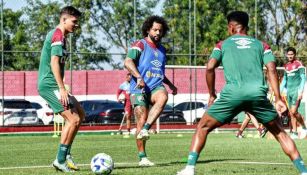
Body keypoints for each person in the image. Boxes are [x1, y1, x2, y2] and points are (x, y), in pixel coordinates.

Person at [177, 11, 307, 175]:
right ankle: (303, 171)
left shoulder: (222, 44)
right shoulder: (261, 45)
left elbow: (209, 67)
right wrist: (279, 98)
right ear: (246, 26)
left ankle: (189, 169)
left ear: (231, 27)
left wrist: (211, 94)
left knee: (202, 127)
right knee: (280, 133)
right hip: (257, 95)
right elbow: (272, 68)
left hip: (233, 94)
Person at [124, 15, 177, 166]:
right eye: (155, 30)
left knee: (163, 96)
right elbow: (127, 62)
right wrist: (138, 77)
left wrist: (171, 85)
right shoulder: (139, 44)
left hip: (155, 87)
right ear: (148, 29)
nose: (158, 33)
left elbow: (159, 71)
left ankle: (146, 129)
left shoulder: (162, 50)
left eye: (160, 31)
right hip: (137, 89)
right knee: (140, 119)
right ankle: (143, 157)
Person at [37, 6, 85, 172]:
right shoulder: (57, 35)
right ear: (64, 19)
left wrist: (63, 87)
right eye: (74, 21)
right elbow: (54, 63)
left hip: (54, 84)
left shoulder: (62, 37)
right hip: (49, 85)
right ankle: (60, 159)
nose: (76, 25)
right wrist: (61, 88)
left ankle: (67, 154)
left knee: (80, 112)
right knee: (74, 120)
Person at [280, 47, 307, 139]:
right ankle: (294, 133)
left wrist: (300, 91)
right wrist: (280, 90)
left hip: (296, 91)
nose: (290, 56)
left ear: (294, 55)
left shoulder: (299, 64)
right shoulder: (286, 66)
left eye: (292, 54)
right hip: (289, 93)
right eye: (288, 54)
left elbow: (303, 78)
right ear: (286, 55)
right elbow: (284, 80)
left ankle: (304, 126)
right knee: (291, 114)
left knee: (294, 111)